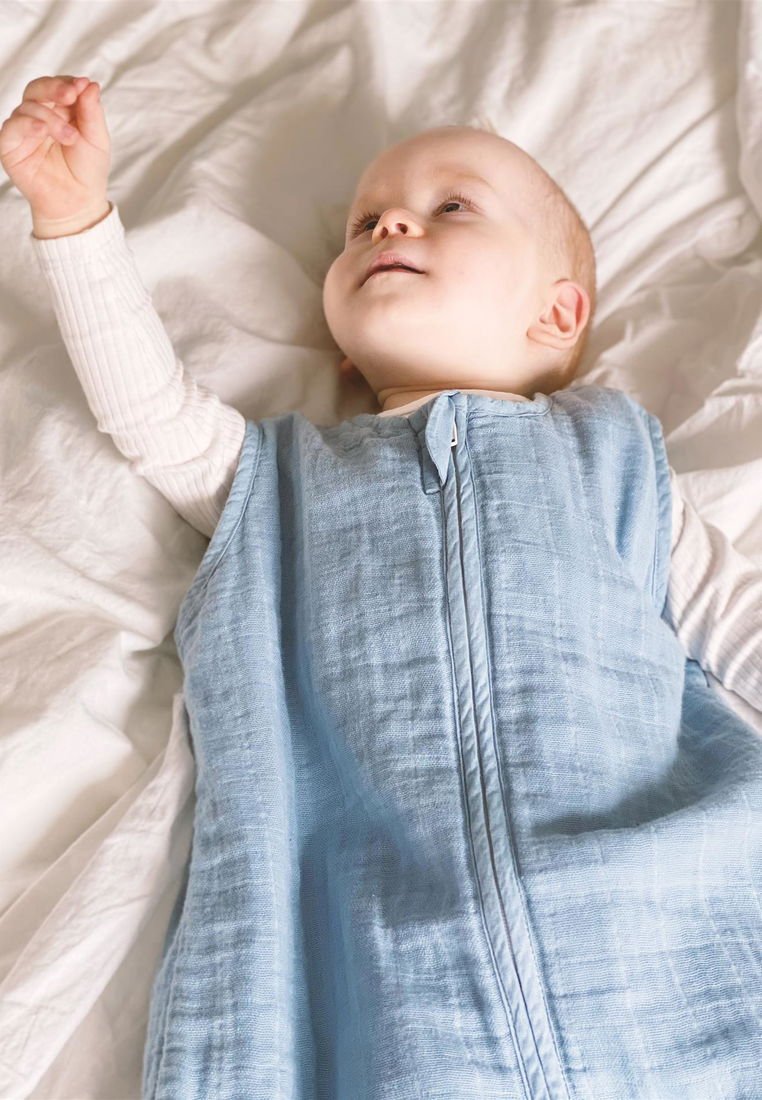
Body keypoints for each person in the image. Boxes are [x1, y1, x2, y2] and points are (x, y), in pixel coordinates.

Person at [3, 74, 761, 1099]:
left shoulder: (614, 458)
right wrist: (73, 218)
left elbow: (737, 621)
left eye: (452, 206)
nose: (391, 222)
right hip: (391, 961)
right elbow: (151, 414)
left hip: (652, 921)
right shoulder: (278, 480)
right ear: (346, 354)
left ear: (558, 313)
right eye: (364, 223)